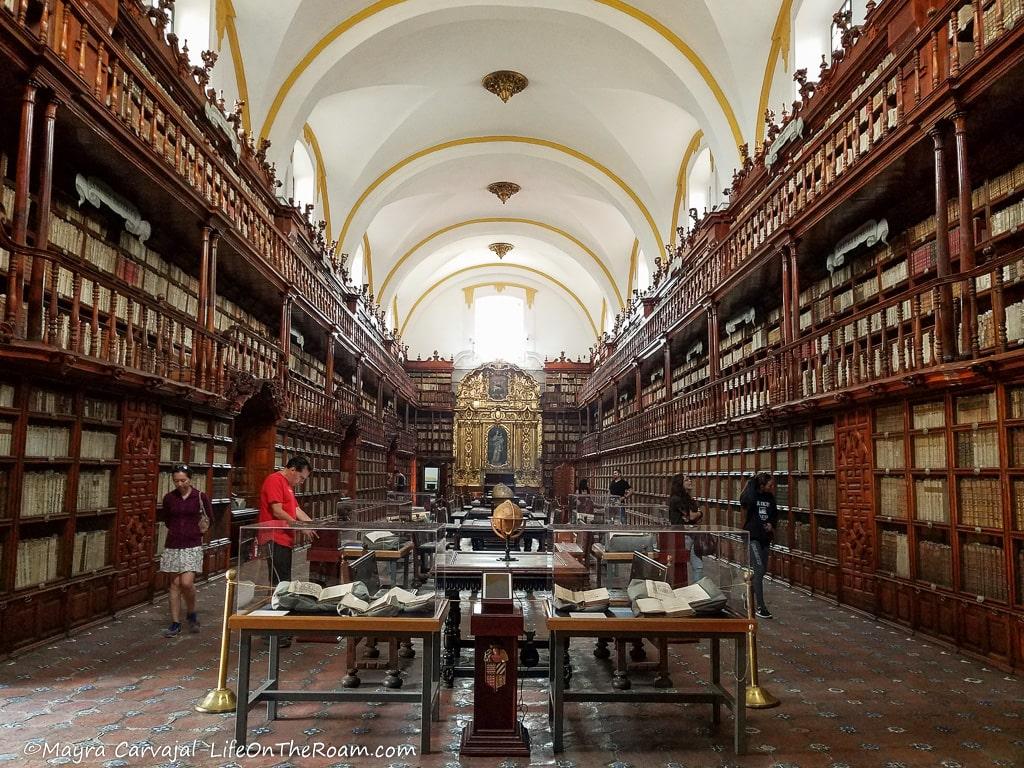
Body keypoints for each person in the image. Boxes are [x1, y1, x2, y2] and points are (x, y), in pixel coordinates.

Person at [159, 465, 213, 638]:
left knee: (187, 583)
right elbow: (167, 519)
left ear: (190, 479)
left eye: (183, 480)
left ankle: (191, 612)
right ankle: (175, 623)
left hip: (193, 543)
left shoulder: (200, 497)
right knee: (174, 584)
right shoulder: (169, 498)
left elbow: (209, 517)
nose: (180, 484)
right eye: (176, 481)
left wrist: (194, 531)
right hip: (173, 544)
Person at [258, 455, 315, 587]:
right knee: (280, 581)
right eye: (301, 478)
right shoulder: (275, 480)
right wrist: (301, 526)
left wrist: (314, 525)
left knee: (284, 579)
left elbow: (296, 510)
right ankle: (277, 606)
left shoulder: (287, 485)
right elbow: (277, 511)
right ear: (293, 470)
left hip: (284, 538)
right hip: (274, 537)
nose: (302, 482)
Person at [741, 472, 779, 619]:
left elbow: (775, 514)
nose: (772, 487)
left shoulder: (770, 497)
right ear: (762, 485)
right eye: (770, 485)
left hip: (765, 538)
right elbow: (744, 502)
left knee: (761, 572)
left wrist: (772, 524)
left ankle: (748, 594)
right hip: (752, 537)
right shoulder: (752, 497)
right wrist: (751, 483)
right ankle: (761, 607)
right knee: (758, 568)